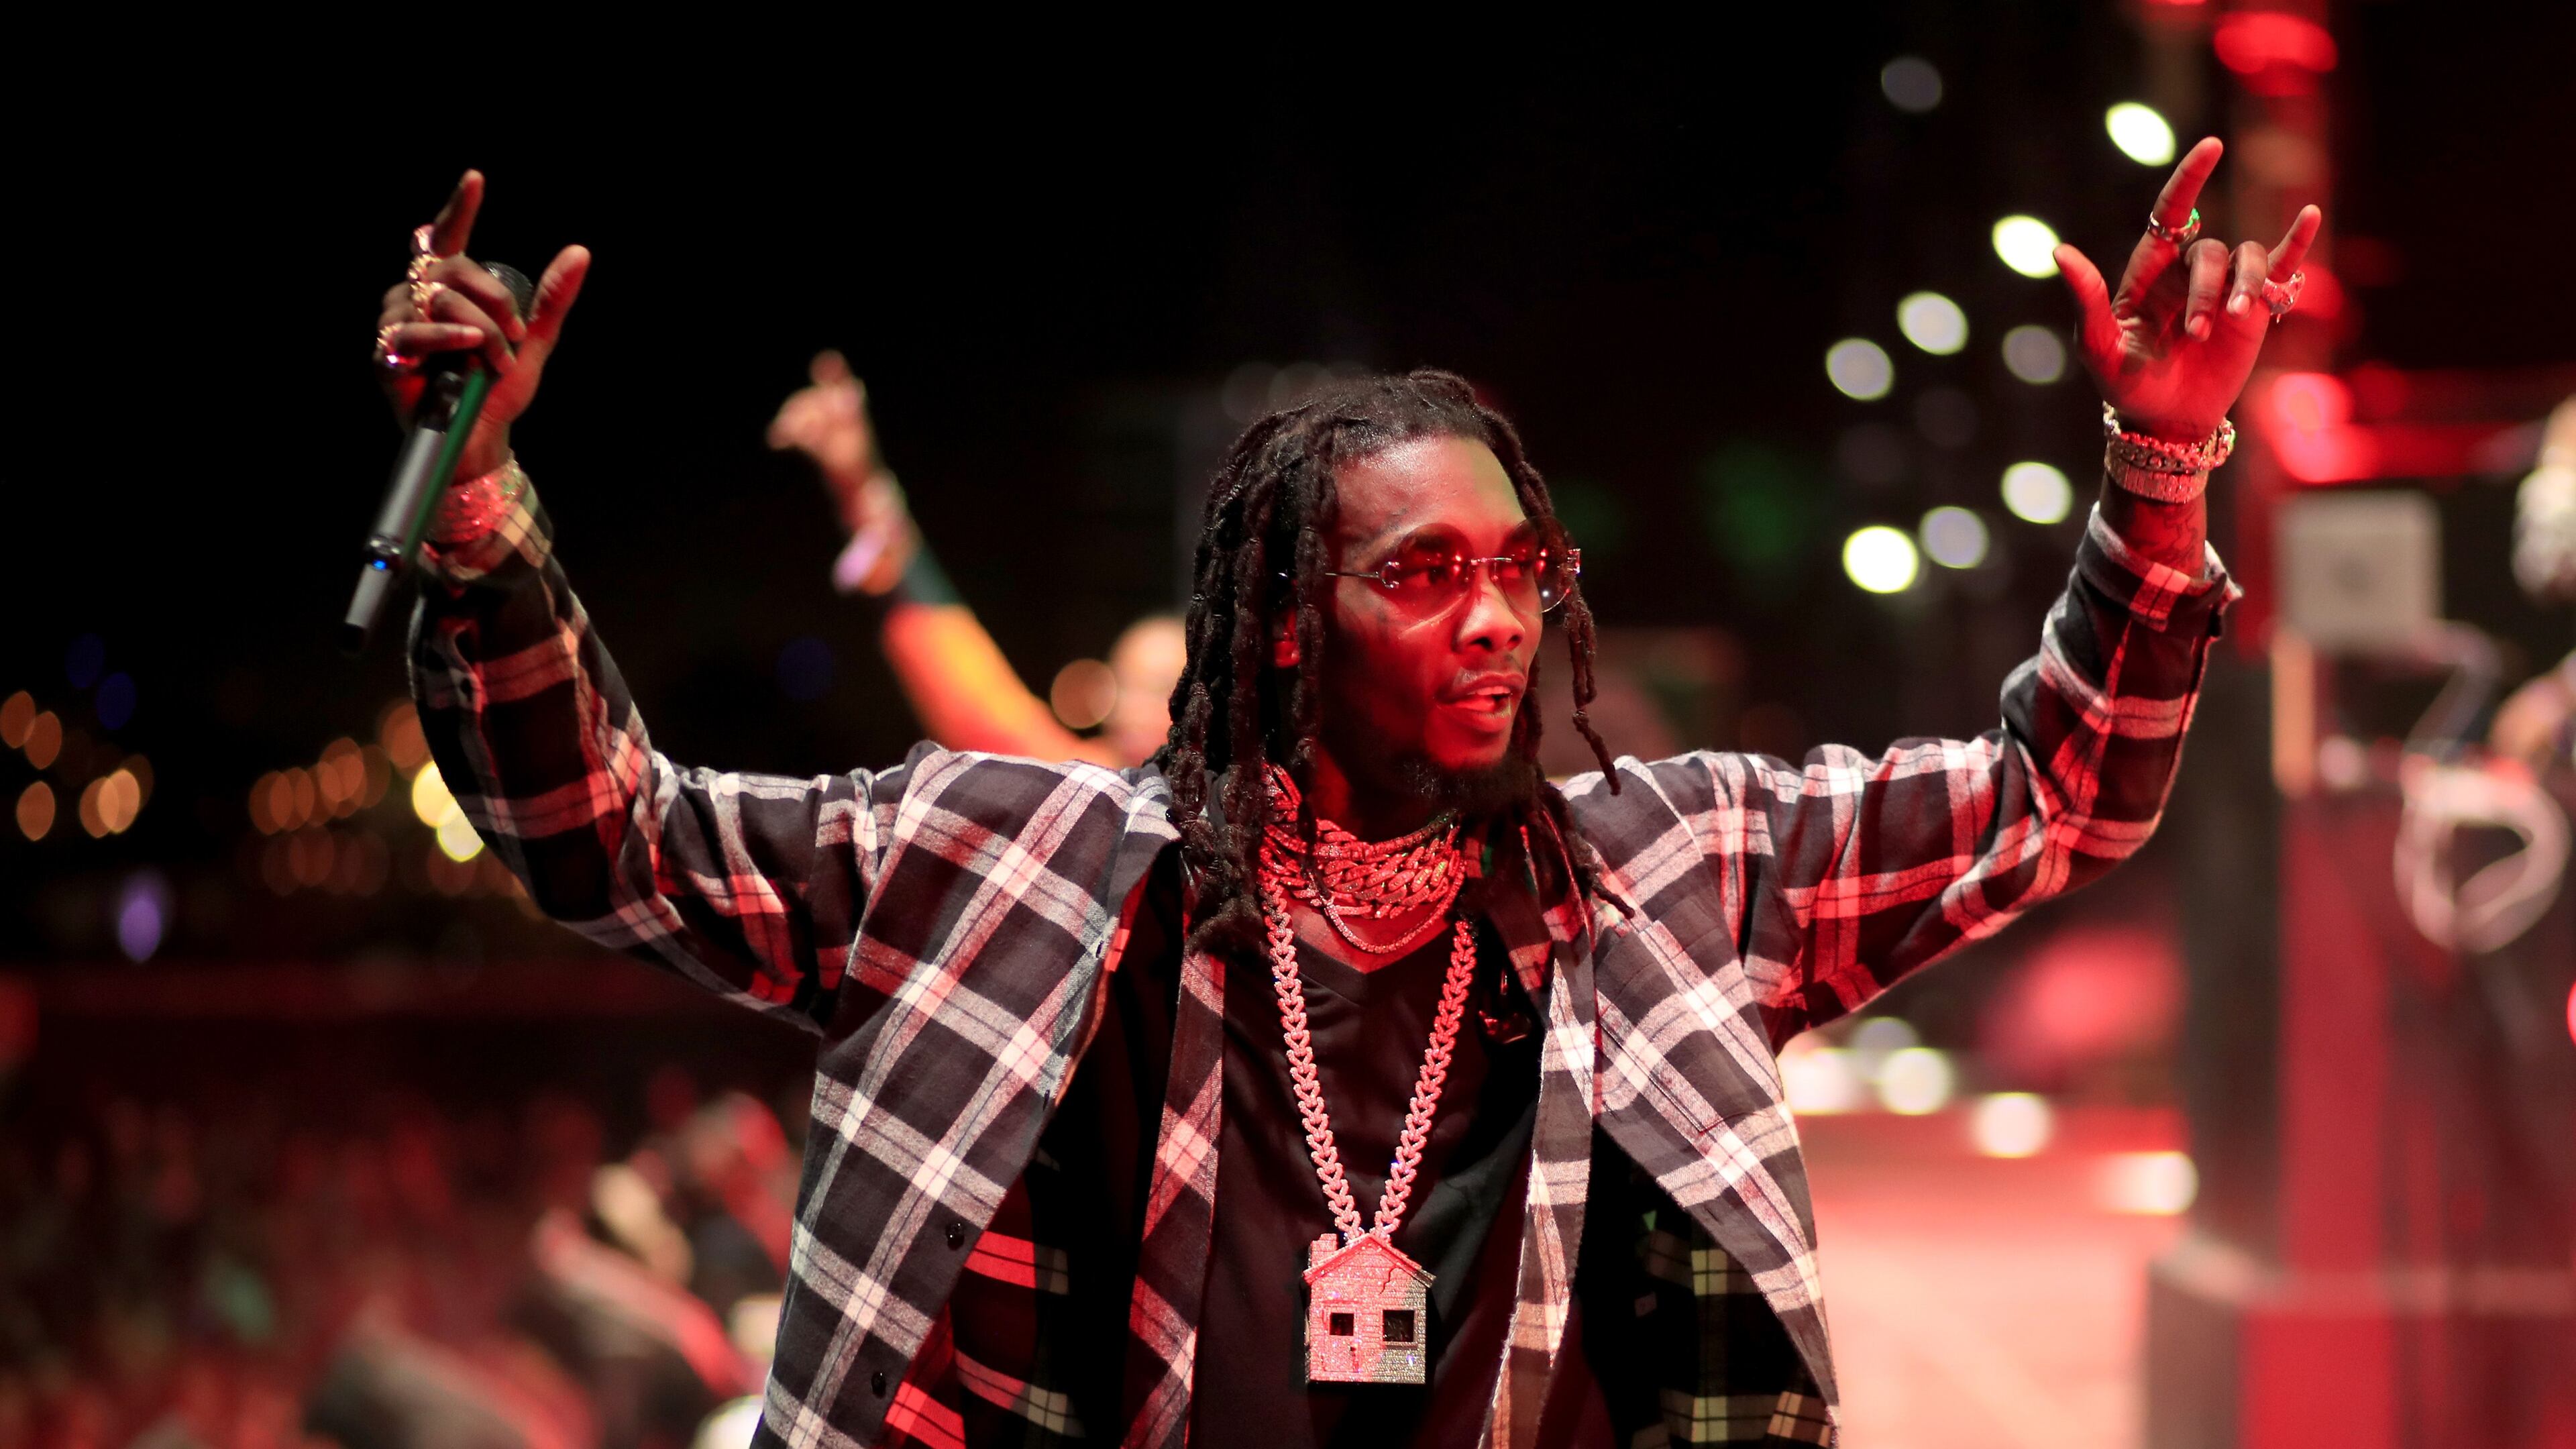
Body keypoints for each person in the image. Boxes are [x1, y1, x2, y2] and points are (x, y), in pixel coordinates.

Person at [374, 142, 2316, 1448]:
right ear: (1289, 631)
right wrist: (478, 522)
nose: (1496, 621)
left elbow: (2057, 797)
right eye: (1423, 575)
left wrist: (2159, 458)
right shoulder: (1020, 871)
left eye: (1517, 570)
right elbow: (611, 836)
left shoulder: (1668, 871)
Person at [764, 351, 1185, 767]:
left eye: (1156, 688)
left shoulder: (1239, 808)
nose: (1127, 708)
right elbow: (965, 684)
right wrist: (859, 485)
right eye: (1123, 686)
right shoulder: (1078, 790)